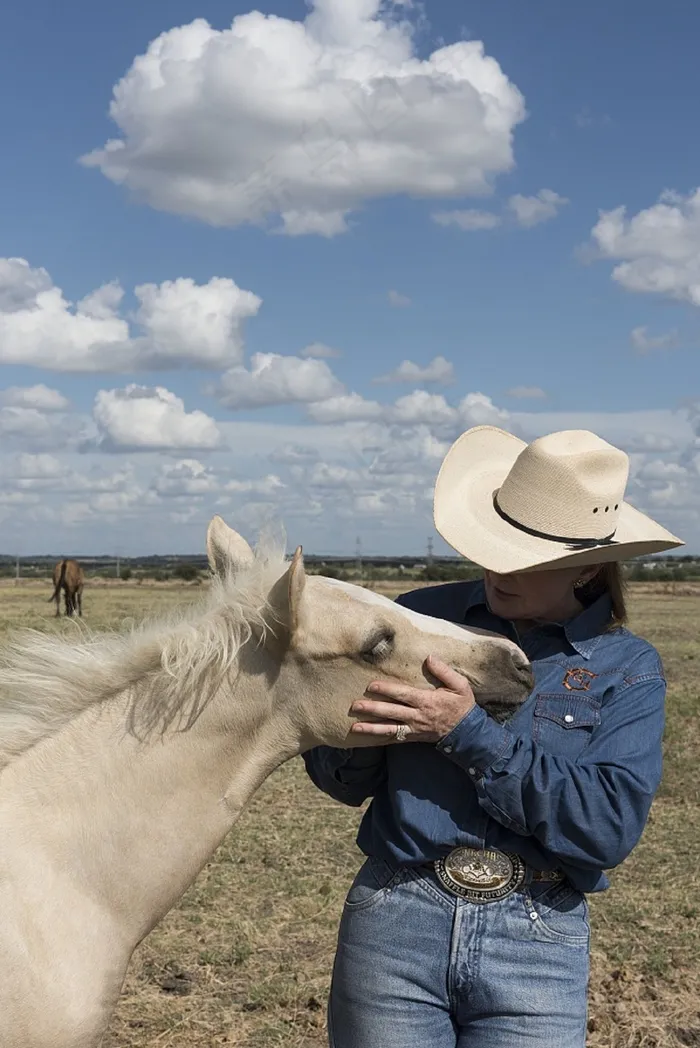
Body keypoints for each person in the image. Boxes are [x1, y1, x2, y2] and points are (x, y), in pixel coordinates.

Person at [302, 425, 684, 1048]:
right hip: (398, 913)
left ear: (586, 569)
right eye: (492, 546)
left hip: (537, 938)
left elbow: (606, 830)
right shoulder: (421, 619)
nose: (495, 570)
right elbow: (337, 778)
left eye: (524, 559)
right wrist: (356, 724)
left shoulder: (627, 667)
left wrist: (465, 732)